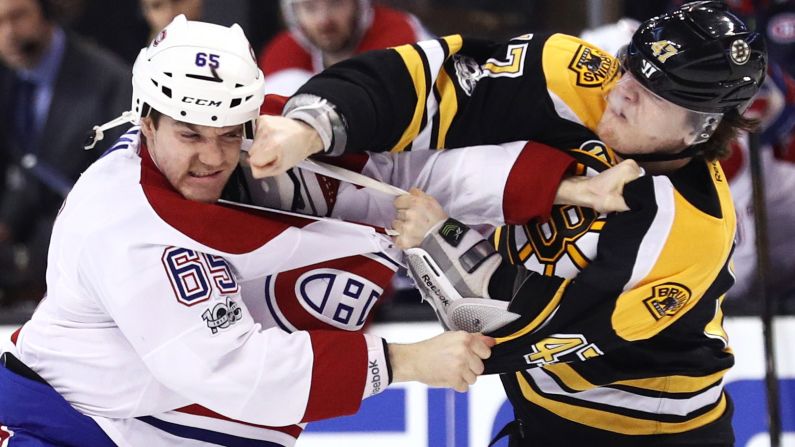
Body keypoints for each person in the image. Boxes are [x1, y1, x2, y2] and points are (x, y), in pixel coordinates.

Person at [245, 2, 766, 445]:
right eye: (633, 67)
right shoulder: (577, 74)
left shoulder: (689, 232)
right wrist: (314, 122)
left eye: (657, 93)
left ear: (703, 126)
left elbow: (510, 329)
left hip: (648, 433)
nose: (624, 90)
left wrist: (438, 239)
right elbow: (431, 82)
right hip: (539, 415)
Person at [0, 16, 494, 446]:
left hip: (136, 424)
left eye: (229, 133)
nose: (213, 158)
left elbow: (377, 167)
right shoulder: (123, 227)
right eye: (190, 133)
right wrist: (406, 362)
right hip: (62, 429)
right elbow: (233, 368)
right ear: (145, 122)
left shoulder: (215, 149)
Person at [0, 0, 131, 307]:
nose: (7, 33)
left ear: (48, 11)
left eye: (18, 17)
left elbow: (118, 185)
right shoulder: (7, 78)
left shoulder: (109, 80)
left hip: (86, 262)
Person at [258, 0, 430, 96]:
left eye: (336, 3)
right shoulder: (282, 55)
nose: (324, 21)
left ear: (359, 5)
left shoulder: (399, 36)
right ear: (293, 14)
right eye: (309, 7)